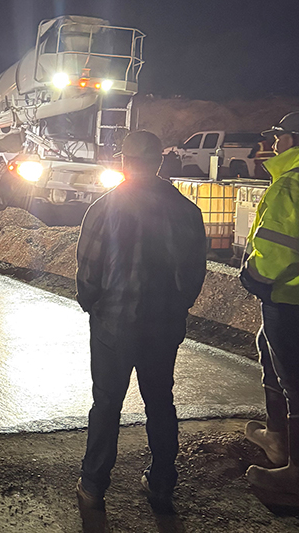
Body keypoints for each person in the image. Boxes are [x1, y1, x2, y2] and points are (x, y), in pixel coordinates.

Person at [75, 131, 207, 512]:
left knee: (107, 404)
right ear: (160, 162)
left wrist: (93, 305)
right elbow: (193, 273)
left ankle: (94, 483)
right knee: (160, 402)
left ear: (124, 161)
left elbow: (88, 271)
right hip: (163, 326)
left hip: (113, 326)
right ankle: (162, 482)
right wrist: (177, 307)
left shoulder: (104, 208)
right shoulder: (186, 210)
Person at [240, 112, 299, 496]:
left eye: (279, 136)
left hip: (288, 297)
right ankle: (276, 436)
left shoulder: (289, 185)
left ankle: (294, 471)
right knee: (268, 351)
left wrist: (252, 278)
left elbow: (278, 250)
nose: (273, 143)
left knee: (293, 378)